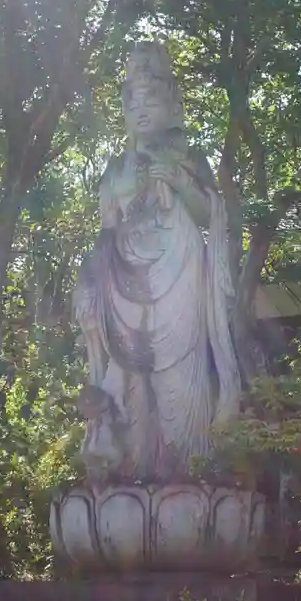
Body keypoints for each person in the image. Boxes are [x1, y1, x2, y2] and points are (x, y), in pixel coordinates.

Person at [74, 41, 243, 484]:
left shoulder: (189, 157)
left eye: (152, 99)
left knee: (180, 381)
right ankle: (130, 475)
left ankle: (193, 475)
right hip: (122, 282)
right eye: (133, 101)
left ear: (174, 105)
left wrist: (182, 183)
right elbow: (105, 230)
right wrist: (88, 284)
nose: (142, 109)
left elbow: (210, 215)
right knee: (129, 384)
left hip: (179, 273)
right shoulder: (115, 170)